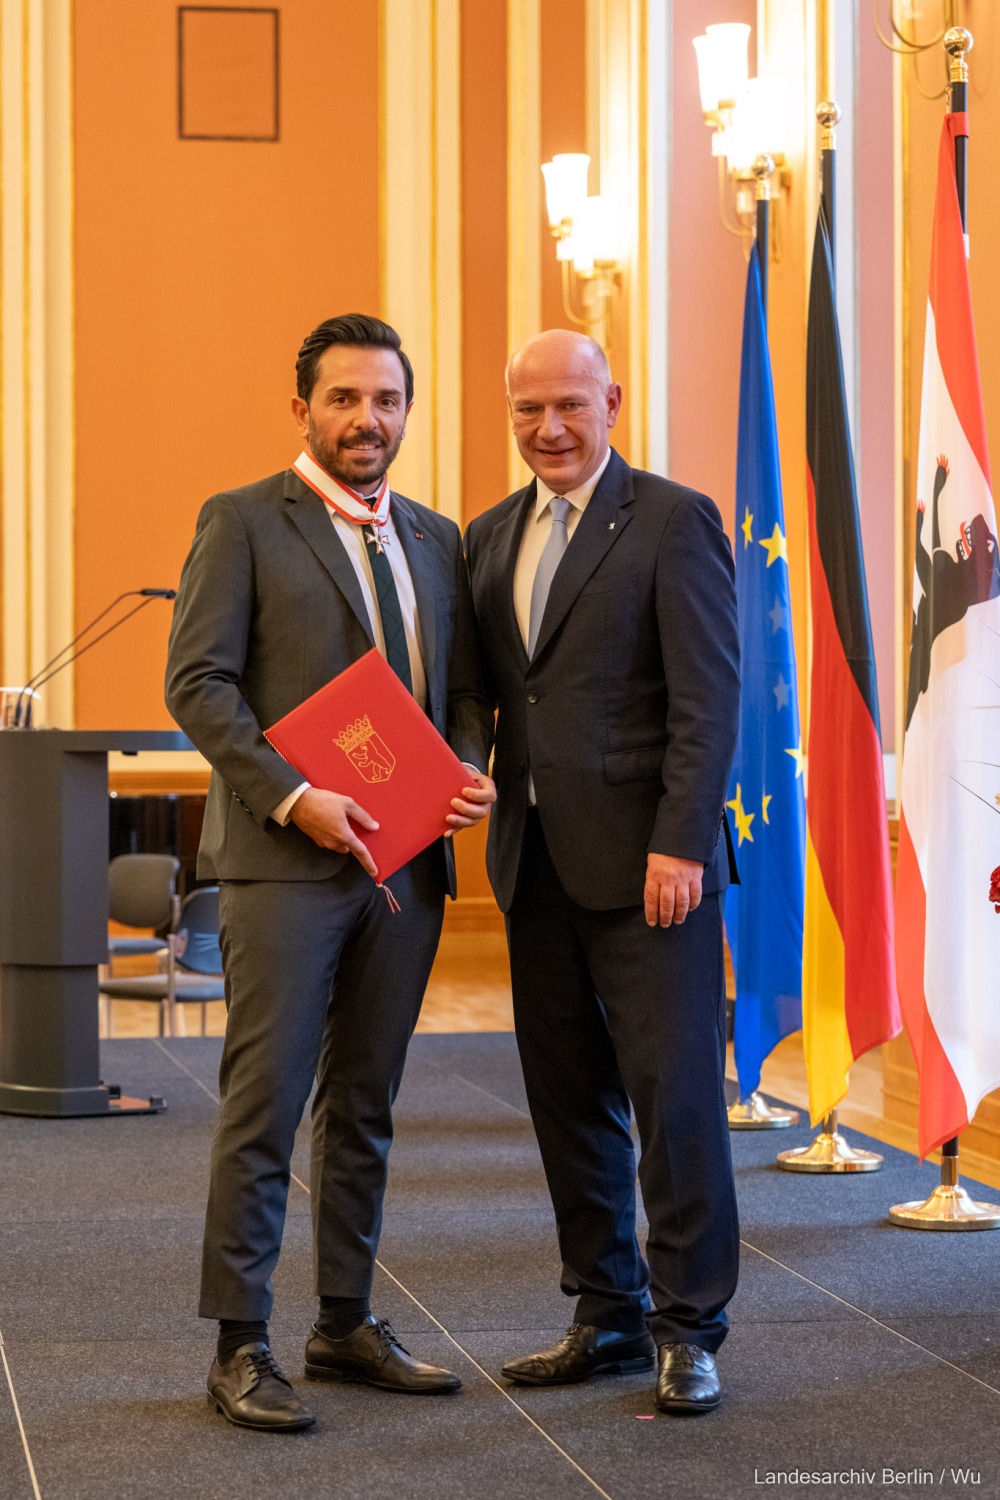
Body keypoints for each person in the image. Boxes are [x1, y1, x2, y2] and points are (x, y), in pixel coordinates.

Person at [166, 314, 495, 1432]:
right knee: (263, 1107)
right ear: (300, 405)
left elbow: (460, 690)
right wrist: (296, 796)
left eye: (387, 400)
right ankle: (239, 1343)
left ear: (407, 411)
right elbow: (199, 683)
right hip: (284, 864)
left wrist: (467, 768)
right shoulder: (244, 521)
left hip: (404, 868)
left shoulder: (437, 537)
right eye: (345, 398)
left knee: (366, 1105)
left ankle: (344, 1321)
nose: (368, 419)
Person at [463, 329, 740, 1415]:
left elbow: (706, 700)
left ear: (610, 400)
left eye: (569, 406)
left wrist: (679, 840)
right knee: (567, 1102)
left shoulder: (672, 519)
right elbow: (486, 699)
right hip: (533, 869)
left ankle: (690, 1326)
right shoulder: (489, 538)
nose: (549, 429)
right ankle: (606, 1313)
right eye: (527, 410)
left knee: (673, 1104)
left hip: (650, 872)